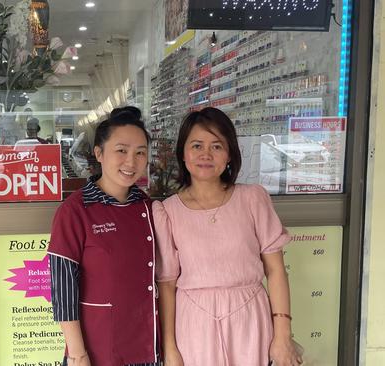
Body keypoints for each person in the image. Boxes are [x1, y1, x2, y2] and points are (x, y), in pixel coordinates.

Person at [153, 107, 303, 366]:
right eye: (197, 145)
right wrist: (170, 348)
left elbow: (276, 271)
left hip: (250, 321)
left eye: (217, 146)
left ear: (230, 154)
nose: (206, 155)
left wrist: (282, 336)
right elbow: (167, 285)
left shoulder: (252, 199)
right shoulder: (167, 211)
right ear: (183, 153)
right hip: (194, 327)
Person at [47, 106, 162, 365]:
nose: (131, 162)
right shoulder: (75, 211)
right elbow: (63, 293)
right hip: (97, 351)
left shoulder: (147, 207)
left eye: (140, 153)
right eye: (121, 150)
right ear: (99, 153)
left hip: (145, 347)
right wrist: (77, 355)